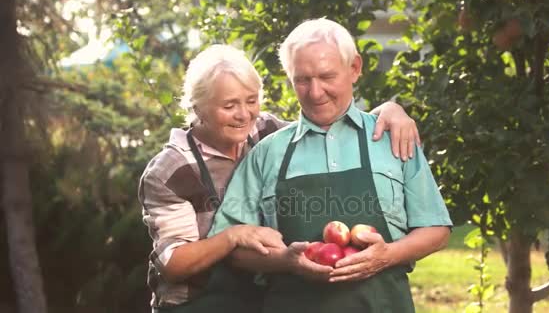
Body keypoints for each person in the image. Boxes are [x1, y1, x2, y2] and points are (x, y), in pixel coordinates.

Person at [138, 44, 421, 312]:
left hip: (258, 297)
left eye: (251, 101)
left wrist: (387, 112)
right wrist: (235, 235)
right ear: (197, 108)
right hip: (197, 303)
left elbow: (332, 133)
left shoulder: (267, 132)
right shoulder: (171, 170)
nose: (243, 115)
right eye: (229, 106)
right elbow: (172, 264)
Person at [209, 18, 453, 313]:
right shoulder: (267, 153)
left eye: (327, 76)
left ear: (354, 68)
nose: (315, 92)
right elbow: (233, 248)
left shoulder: (393, 138)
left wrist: (386, 255)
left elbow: (436, 229)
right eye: (302, 80)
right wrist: (286, 261)